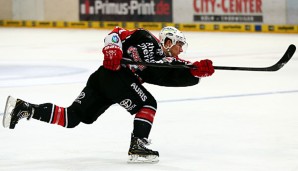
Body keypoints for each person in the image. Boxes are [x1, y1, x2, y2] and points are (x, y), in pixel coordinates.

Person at [2, 26, 214, 163]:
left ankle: (24, 108)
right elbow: (115, 33)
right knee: (147, 104)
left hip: (109, 81)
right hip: (111, 75)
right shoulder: (143, 36)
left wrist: (196, 72)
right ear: (168, 41)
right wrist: (112, 49)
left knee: (73, 118)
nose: (180, 50)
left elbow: (176, 73)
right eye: (179, 45)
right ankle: (138, 144)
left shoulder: (167, 63)